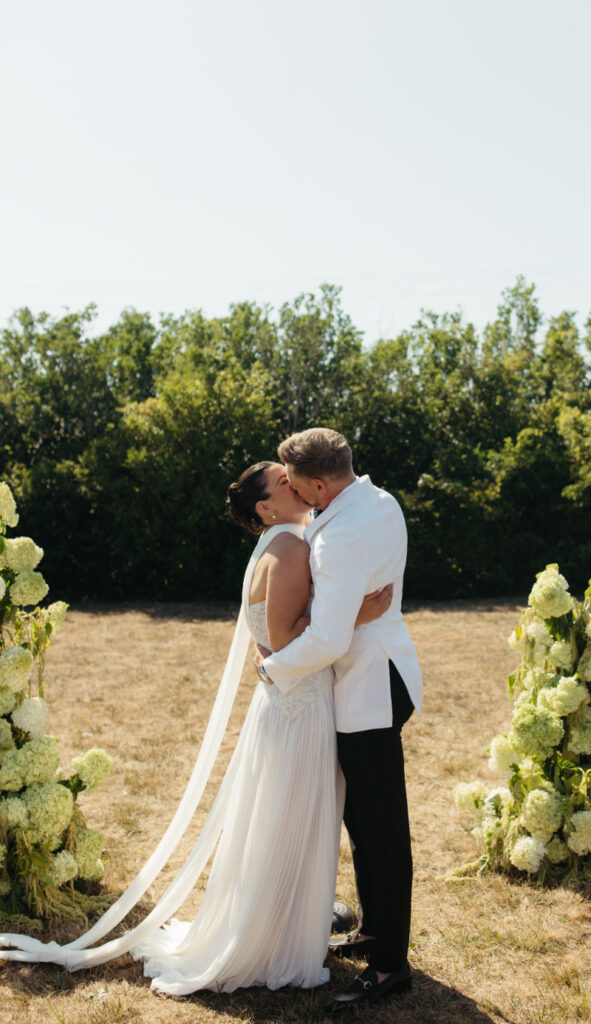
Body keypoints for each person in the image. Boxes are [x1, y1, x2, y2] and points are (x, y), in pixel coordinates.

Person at [0, 459, 390, 995]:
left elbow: (266, 638)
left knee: (282, 819)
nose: (295, 485)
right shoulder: (292, 548)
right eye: (283, 482)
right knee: (290, 820)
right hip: (299, 703)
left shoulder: (278, 545)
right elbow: (285, 642)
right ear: (266, 506)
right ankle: (272, 940)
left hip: (288, 703)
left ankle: (283, 926)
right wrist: (357, 615)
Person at [256, 428, 423, 1011]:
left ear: (321, 483)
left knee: (379, 829)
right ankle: (376, 931)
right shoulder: (381, 501)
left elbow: (327, 638)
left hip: (366, 690)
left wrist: (274, 669)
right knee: (364, 818)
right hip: (387, 670)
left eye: (299, 488)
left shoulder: (338, 535)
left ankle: (389, 966)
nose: (298, 498)